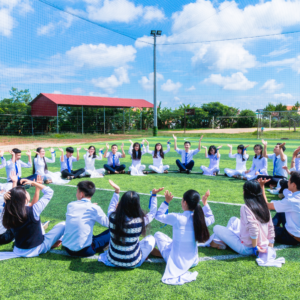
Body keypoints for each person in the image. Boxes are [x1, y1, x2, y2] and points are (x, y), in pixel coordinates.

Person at [152, 189, 214, 285]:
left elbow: (158, 215)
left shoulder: (177, 218)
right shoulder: (200, 220)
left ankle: (160, 253)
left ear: (185, 202)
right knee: (172, 241)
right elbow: (211, 218)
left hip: (177, 262)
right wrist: (205, 203)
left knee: (157, 234)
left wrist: (166, 202)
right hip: (193, 261)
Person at [98, 180, 164, 268]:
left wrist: (117, 191)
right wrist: (154, 195)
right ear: (137, 205)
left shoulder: (112, 217)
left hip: (112, 260)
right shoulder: (141, 221)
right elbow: (152, 213)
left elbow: (111, 206)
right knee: (151, 238)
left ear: (121, 203)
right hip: (133, 262)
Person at [0, 179, 65, 261]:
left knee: (37, 223)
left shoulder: (8, 211)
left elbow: (11, 202)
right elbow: (49, 192)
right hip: (37, 249)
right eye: (26, 192)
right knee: (63, 224)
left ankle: (49, 240)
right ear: (24, 198)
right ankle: (59, 242)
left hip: (18, 249)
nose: (27, 192)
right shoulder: (34, 209)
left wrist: (6, 196)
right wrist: (35, 183)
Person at [211, 180, 275, 257]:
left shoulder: (245, 207)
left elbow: (254, 228)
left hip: (247, 248)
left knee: (216, 228)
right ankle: (225, 242)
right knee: (233, 219)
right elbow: (270, 227)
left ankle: (223, 242)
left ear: (246, 192)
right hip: (261, 244)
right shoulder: (265, 207)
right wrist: (270, 247)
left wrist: (255, 247)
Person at [62, 181, 111, 257]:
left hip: (67, 249)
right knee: (113, 231)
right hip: (85, 251)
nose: (76, 194)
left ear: (81, 194)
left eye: (77, 191)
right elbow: (109, 224)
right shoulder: (94, 208)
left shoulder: (70, 205)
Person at [260, 173, 300, 246]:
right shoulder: (293, 197)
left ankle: (271, 227)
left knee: (263, 228)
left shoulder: (291, 201)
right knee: (282, 211)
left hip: (292, 237)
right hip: (297, 232)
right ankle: (273, 226)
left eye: (289, 180)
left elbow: (266, 205)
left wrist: (262, 186)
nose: (287, 182)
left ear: (293, 184)